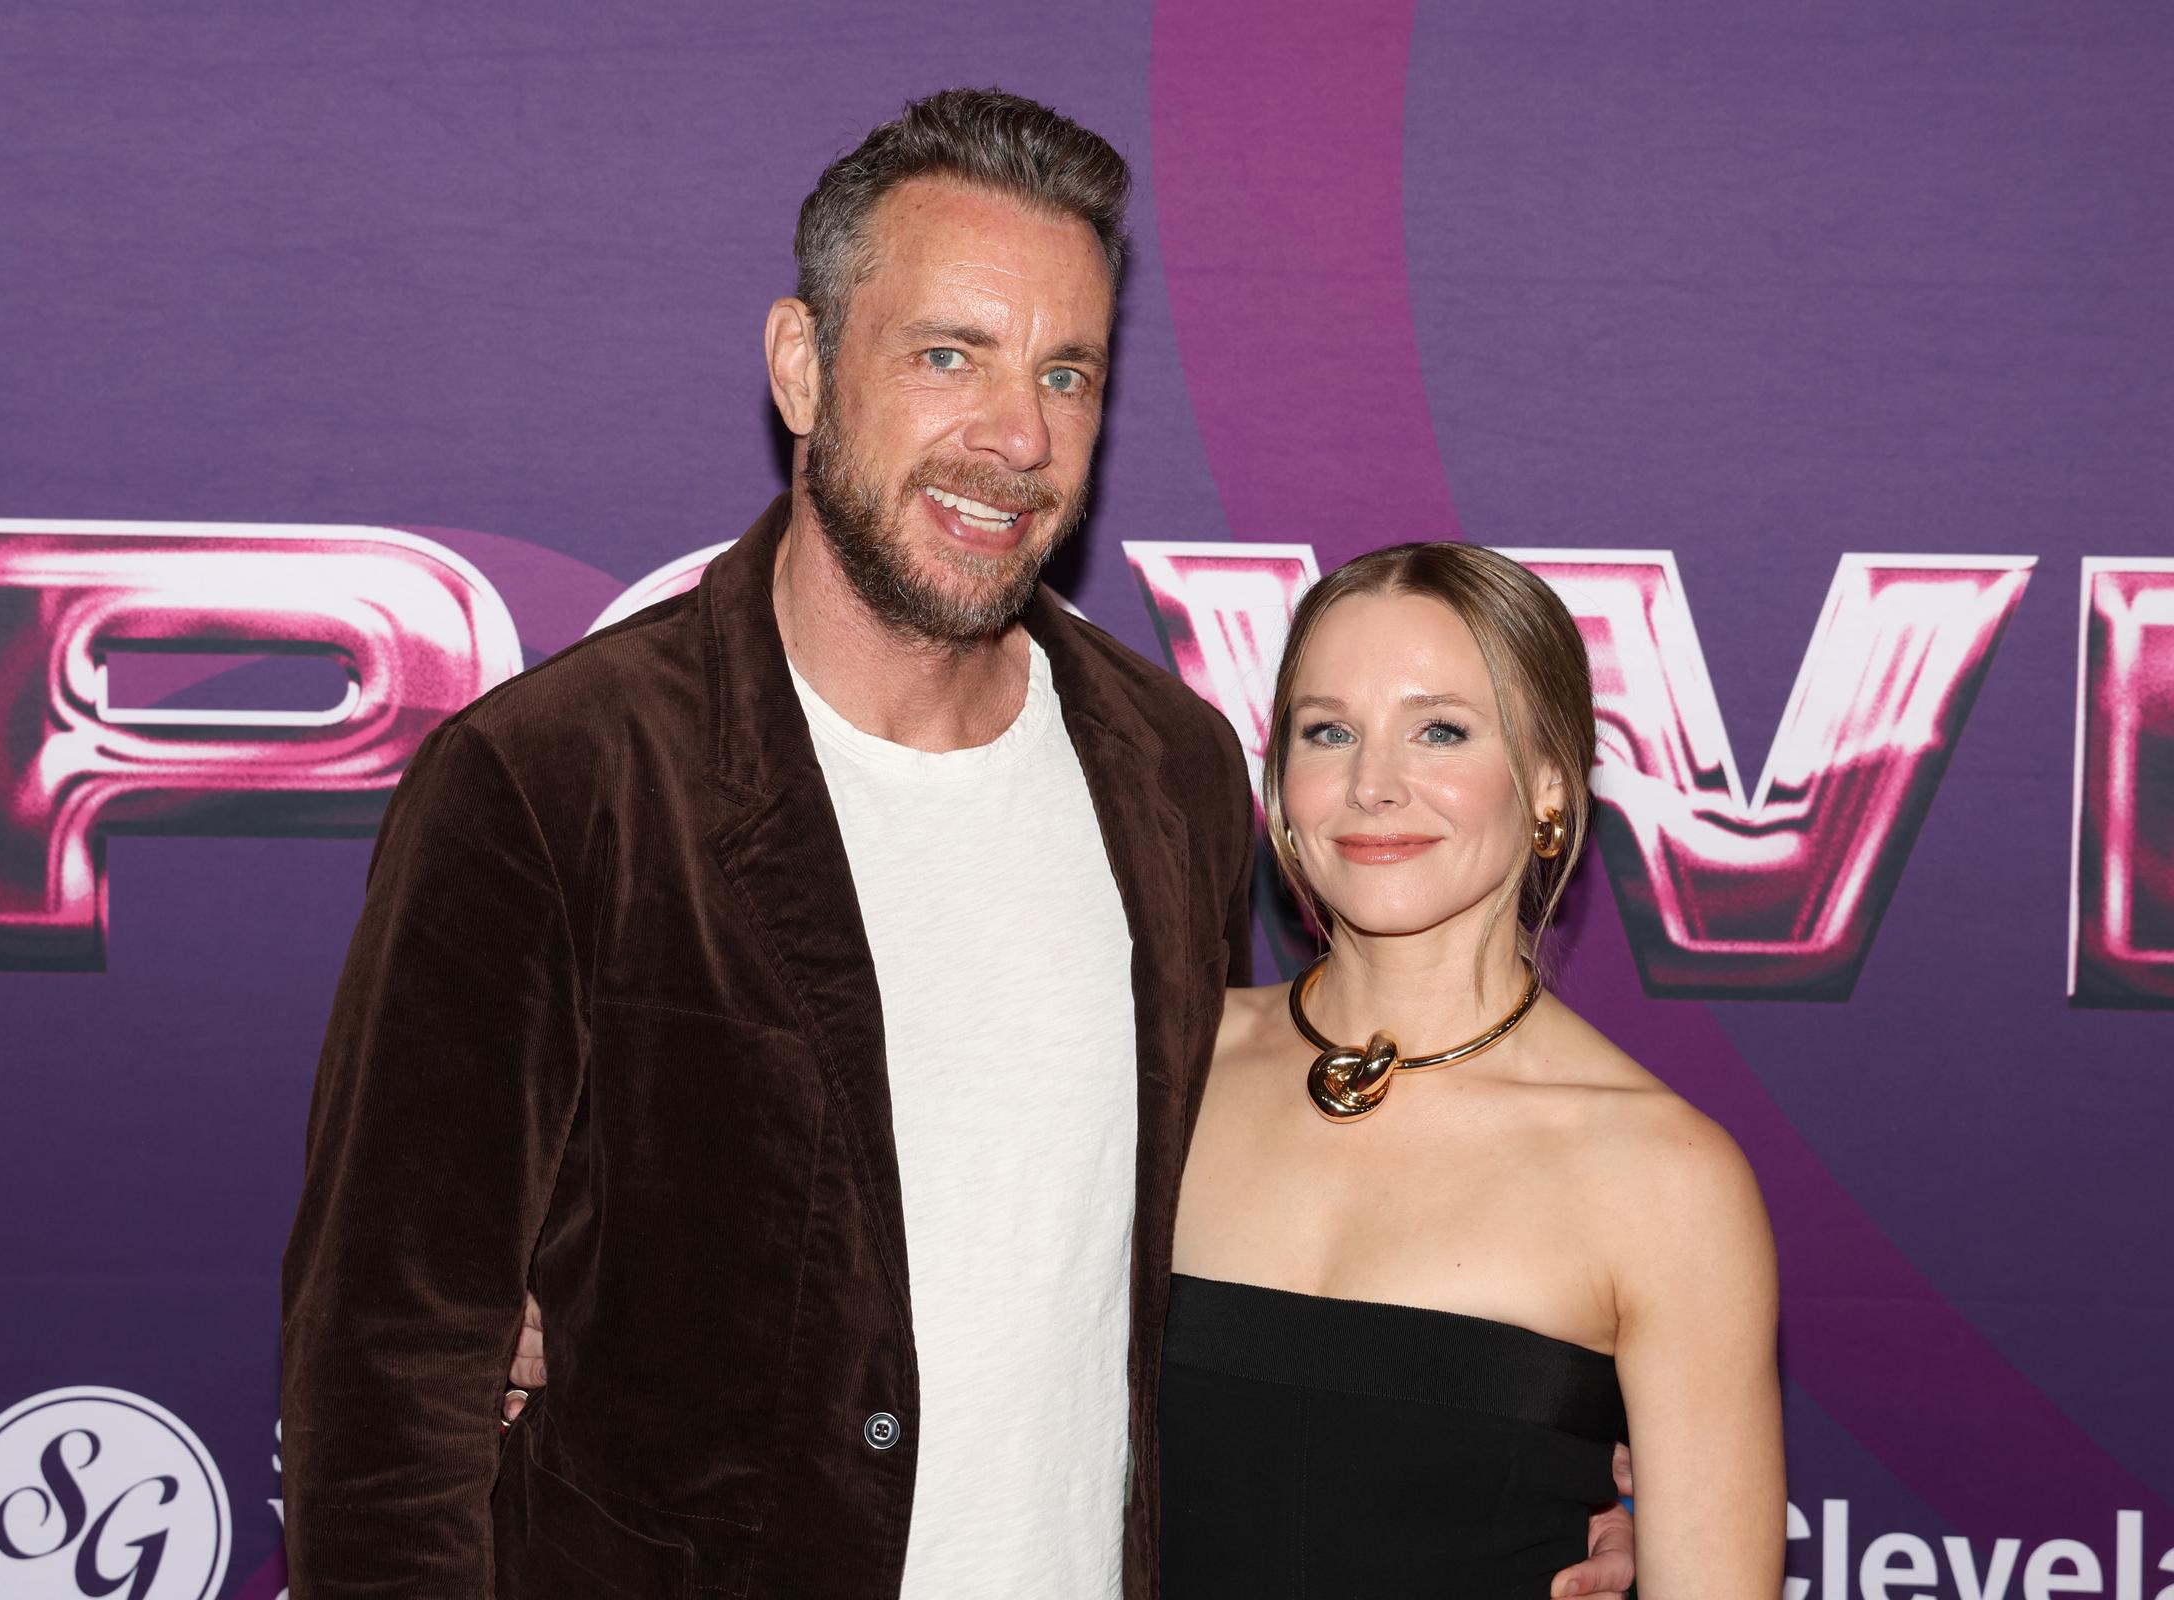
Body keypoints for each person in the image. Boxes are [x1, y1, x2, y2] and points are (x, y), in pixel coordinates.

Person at [284, 87, 1636, 1598]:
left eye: (1068, 374)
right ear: (803, 367)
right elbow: (391, 1380)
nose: (1014, 436)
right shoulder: (553, 781)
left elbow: (1226, 1235)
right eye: (949, 356)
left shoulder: (1170, 770)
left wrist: (1512, 1466)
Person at [1162, 544, 1784, 1594]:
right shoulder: (1164, 1065)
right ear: (1282, 783)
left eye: (1439, 729)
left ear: (1548, 782)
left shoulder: (1664, 1175)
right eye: (1329, 732)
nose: (1372, 784)